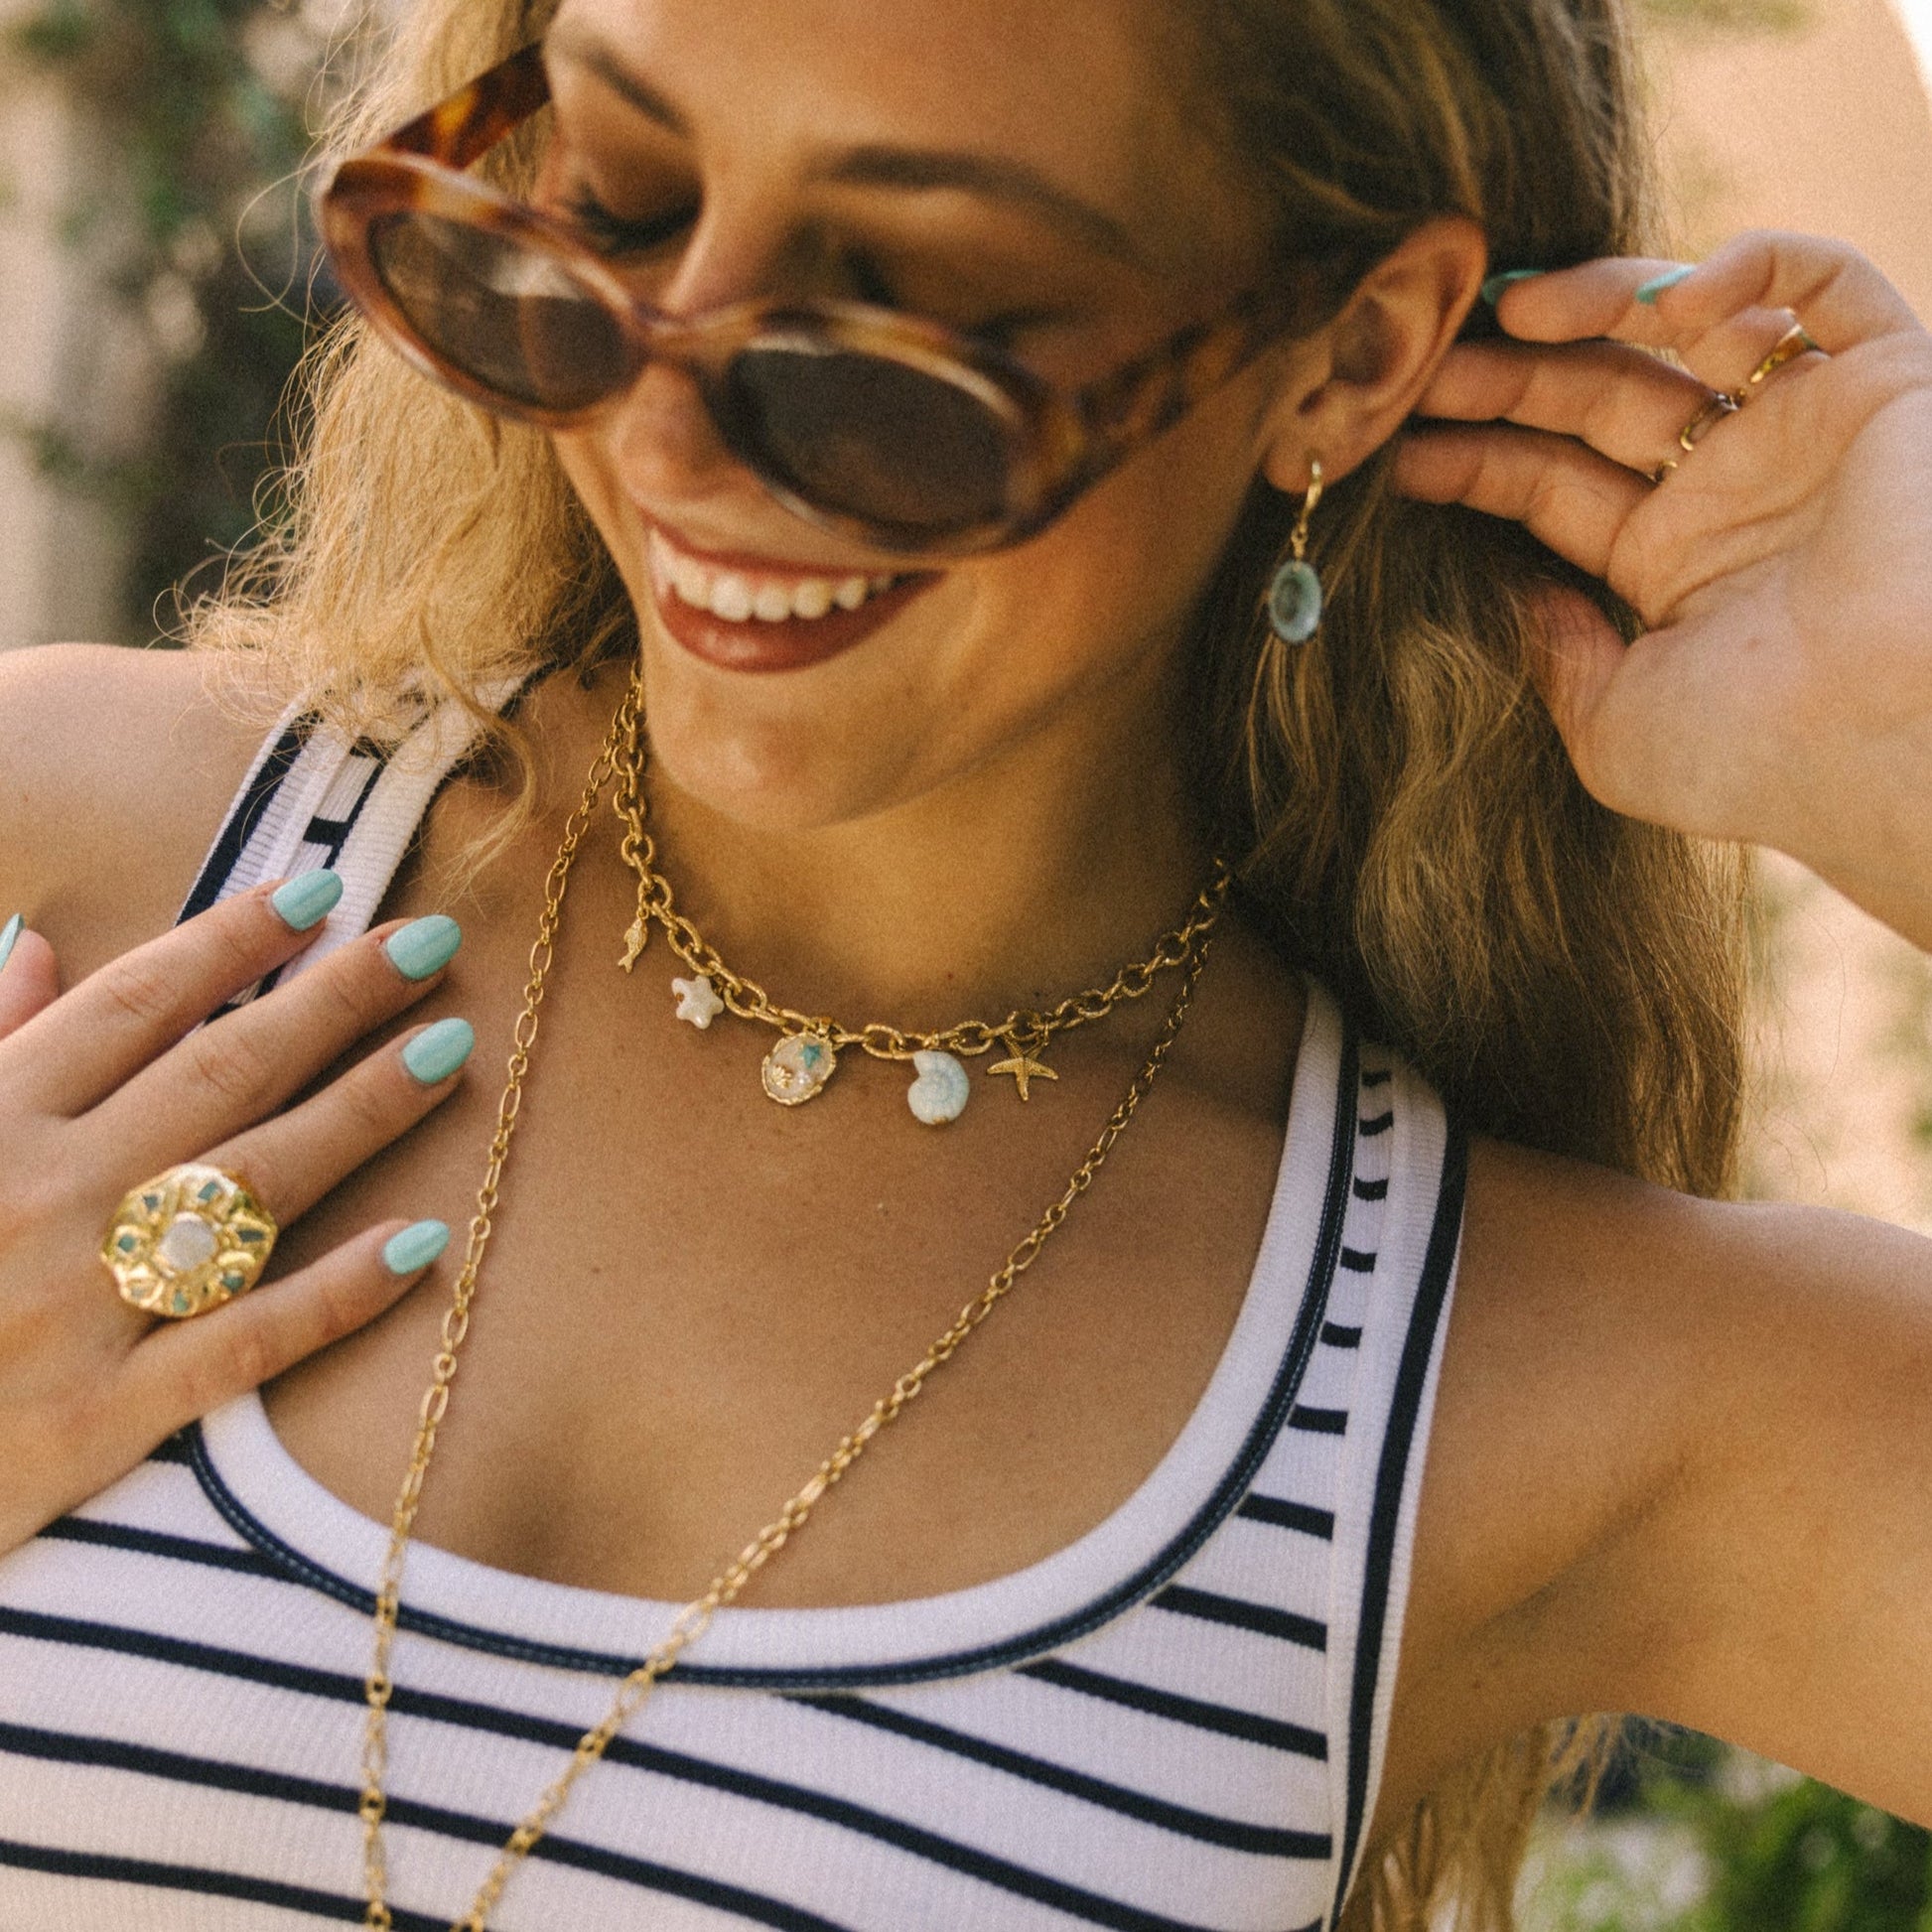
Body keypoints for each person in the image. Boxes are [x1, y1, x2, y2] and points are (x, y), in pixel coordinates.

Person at [1, 0, 1928, 1925]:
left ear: (1347, 356)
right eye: (624, 195)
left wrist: (1905, 726)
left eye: (905, 304)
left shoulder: (1503, 1364)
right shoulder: (65, 852)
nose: (664, 431)